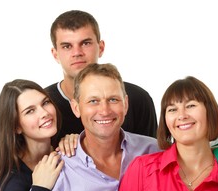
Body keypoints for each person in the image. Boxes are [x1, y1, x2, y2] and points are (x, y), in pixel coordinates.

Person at [32, 63, 159, 191]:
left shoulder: (153, 151)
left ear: (125, 104)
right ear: (76, 107)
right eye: (93, 101)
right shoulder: (59, 169)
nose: (105, 110)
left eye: (113, 99)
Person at [46, 10, 158, 147]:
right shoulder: (44, 106)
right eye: (67, 46)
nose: (77, 53)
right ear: (55, 54)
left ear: (101, 47)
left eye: (85, 43)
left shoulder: (138, 98)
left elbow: (152, 157)